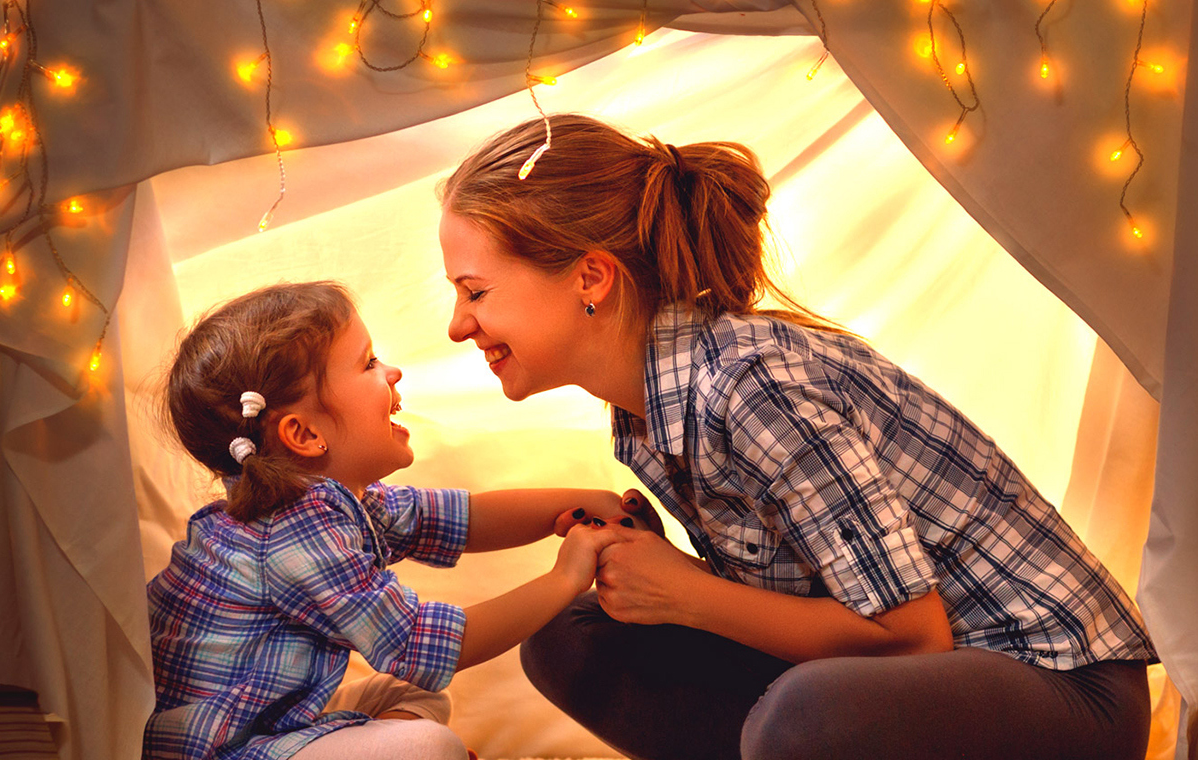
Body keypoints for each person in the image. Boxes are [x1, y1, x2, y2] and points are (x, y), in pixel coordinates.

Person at [435, 114, 1157, 760]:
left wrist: (688, 595)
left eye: (475, 292)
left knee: (803, 720)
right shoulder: (644, 407)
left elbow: (913, 635)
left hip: (1057, 690)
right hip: (898, 685)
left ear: (590, 277)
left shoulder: (752, 386)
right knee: (572, 638)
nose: (458, 326)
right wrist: (659, 568)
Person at [144, 281, 637, 760]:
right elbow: (427, 646)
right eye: (369, 362)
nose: (393, 371)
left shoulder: (330, 502)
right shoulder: (292, 532)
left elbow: (462, 519)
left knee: (419, 699)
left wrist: (581, 500)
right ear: (305, 434)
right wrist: (566, 578)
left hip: (270, 723)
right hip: (224, 748)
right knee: (428, 746)